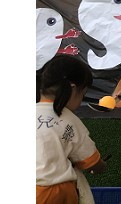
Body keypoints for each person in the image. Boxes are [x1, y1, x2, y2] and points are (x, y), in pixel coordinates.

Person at [36, 55, 109, 204]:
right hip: (54, 192)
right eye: (83, 94)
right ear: (73, 90)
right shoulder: (69, 119)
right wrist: (101, 166)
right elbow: (91, 161)